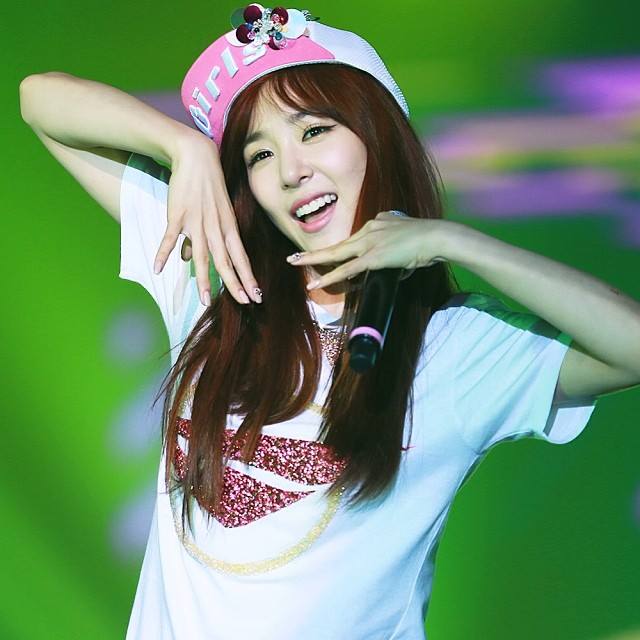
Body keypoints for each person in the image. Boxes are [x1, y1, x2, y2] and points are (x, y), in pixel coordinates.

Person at [19, 4, 640, 639]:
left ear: (378, 136)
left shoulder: (453, 344)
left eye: (314, 131)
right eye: (260, 154)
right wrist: (183, 147)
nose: (291, 172)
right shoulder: (217, 269)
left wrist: (454, 242)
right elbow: (39, 99)